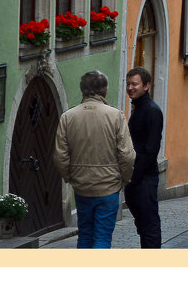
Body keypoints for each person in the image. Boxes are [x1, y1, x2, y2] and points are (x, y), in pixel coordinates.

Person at [53, 70, 135, 249]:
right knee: (102, 237)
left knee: (85, 235)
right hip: (109, 184)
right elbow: (127, 154)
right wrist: (124, 178)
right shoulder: (115, 115)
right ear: (104, 91)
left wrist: (70, 176)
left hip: (81, 185)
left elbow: (60, 155)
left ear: (82, 90)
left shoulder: (68, 117)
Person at [124, 67, 163, 249]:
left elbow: (150, 149)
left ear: (146, 86)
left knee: (149, 226)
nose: (130, 88)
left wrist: (135, 176)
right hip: (137, 178)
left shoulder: (151, 111)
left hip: (144, 178)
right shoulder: (140, 108)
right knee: (143, 225)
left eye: (135, 84)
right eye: (129, 84)